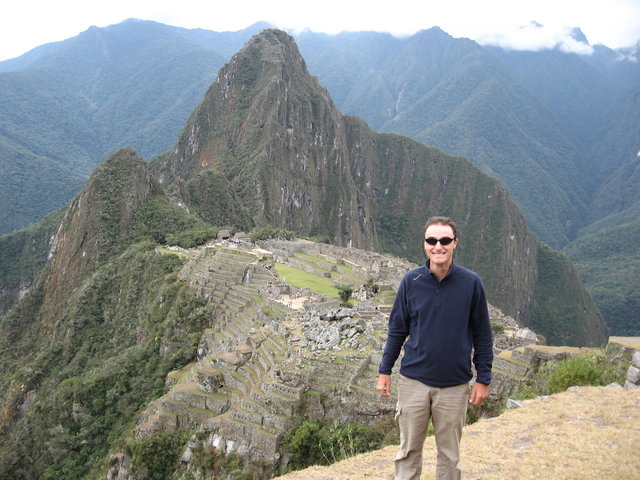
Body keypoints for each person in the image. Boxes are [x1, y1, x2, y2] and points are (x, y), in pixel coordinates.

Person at [377, 216, 493, 480]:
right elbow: (397, 330)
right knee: (408, 451)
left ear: (455, 243)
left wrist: (483, 378)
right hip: (413, 381)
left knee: (450, 455)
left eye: (444, 240)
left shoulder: (471, 283)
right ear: (424, 244)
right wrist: (385, 370)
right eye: (432, 240)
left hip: (454, 384)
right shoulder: (411, 281)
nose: (437, 246)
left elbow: (482, 334)